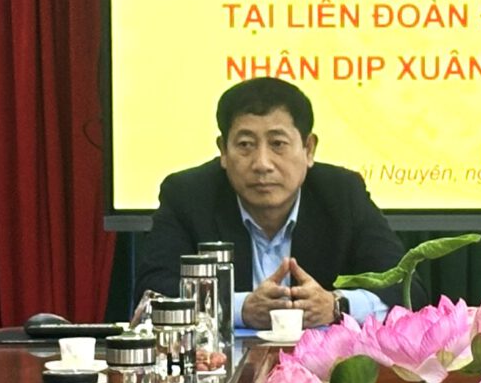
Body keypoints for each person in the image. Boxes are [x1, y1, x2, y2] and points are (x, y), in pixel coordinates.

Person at [136, 78, 403, 330]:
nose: (262, 163)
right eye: (245, 144)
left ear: (308, 149)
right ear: (223, 151)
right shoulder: (188, 195)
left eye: (278, 144)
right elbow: (154, 292)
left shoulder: (342, 194)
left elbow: (404, 286)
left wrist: (336, 305)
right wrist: (239, 309)